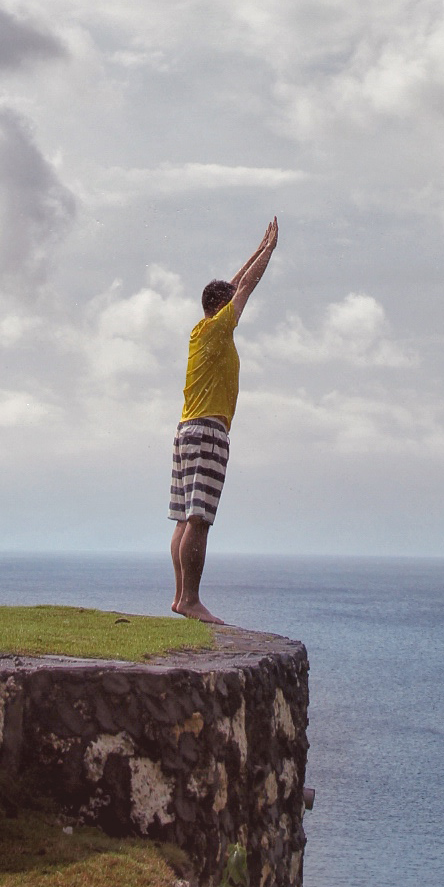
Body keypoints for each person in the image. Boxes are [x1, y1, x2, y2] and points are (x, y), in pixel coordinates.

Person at [169, 217, 278, 623]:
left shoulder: (203, 329)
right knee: (200, 518)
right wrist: (269, 252)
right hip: (207, 433)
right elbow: (245, 286)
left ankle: (182, 598)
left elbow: (235, 282)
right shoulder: (218, 329)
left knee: (186, 515)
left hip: (187, 431)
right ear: (221, 308)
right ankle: (191, 600)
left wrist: (256, 245)